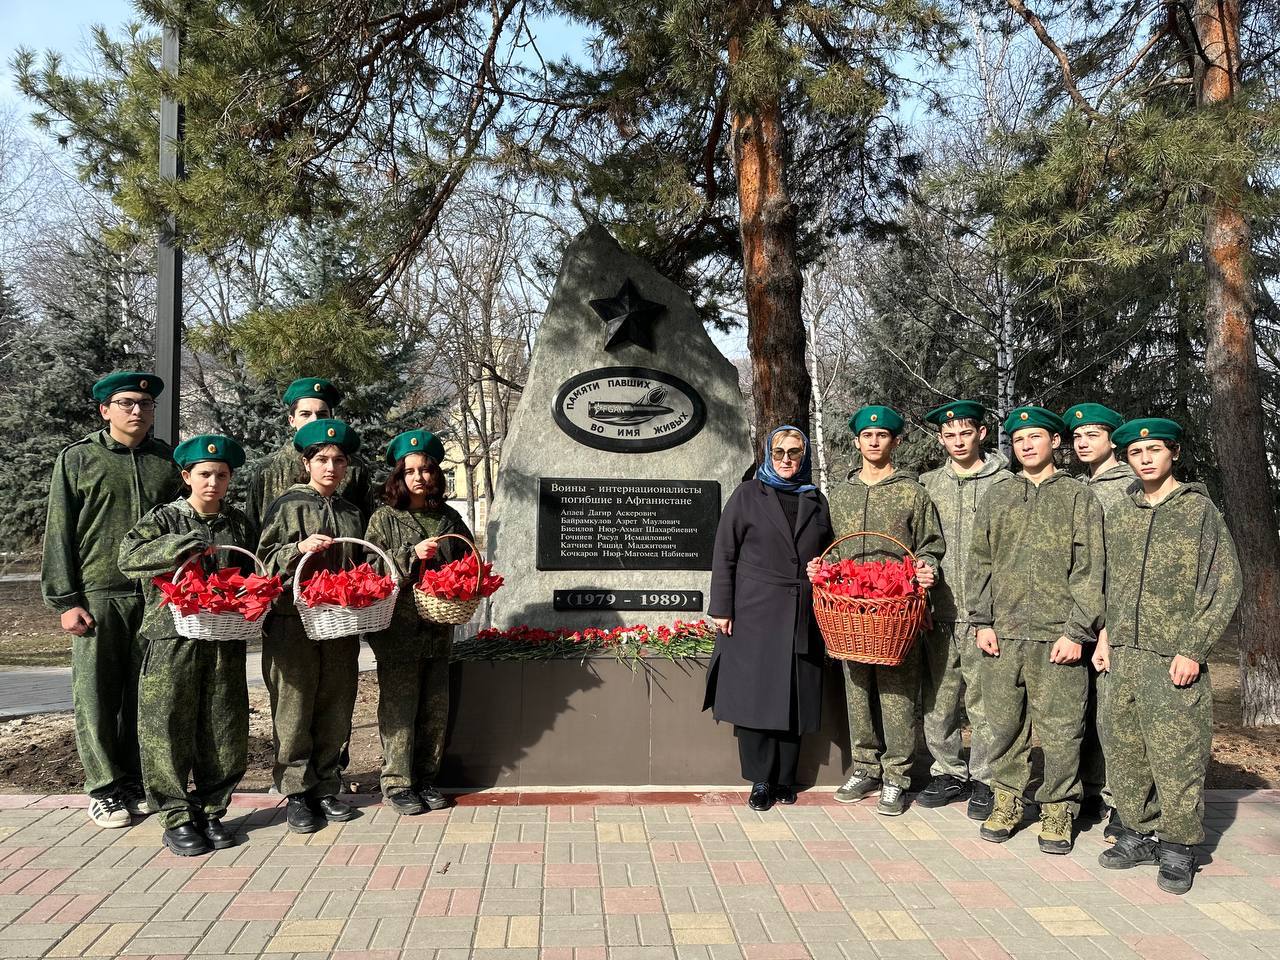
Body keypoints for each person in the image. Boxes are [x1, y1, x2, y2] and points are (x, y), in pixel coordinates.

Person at [1094, 418, 1241, 894]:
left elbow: (1224, 584)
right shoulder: (1121, 512)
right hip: (1123, 654)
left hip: (1172, 656)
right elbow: (1111, 584)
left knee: (1177, 753)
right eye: (1136, 452)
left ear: (1173, 453)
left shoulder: (1197, 511)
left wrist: (1193, 649)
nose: (1145, 458)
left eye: (1154, 450)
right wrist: (1104, 636)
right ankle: (1137, 832)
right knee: (1125, 747)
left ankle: (1179, 845)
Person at [42, 371, 183, 828]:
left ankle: (135, 781)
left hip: (157, 594)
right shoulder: (79, 458)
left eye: (144, 403)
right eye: (125, 403)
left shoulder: (166, 460)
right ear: (105, 410)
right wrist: (66, 601)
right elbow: (59, 531)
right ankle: (103, 788)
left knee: (145, 694)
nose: (137, 410)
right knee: (97, 694)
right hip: (100, 594)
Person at [968, 405, 1104, 854]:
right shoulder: (998, 494)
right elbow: (981, 561)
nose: (1026, 445)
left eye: (1036, 437)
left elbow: (1090, 569)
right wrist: (982, 620)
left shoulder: (1078, 497)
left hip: (1058, 636)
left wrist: (1078, 631)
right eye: (1019, 439)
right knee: (1004, 726)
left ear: (1055, 443)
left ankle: (1058, 809)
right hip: (1003, 634)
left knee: (1063, 731)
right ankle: (1007, 801)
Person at [118, 435, 255, 856]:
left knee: (224, 726)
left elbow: (251, 567)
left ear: (230, 478)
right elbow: (128, 555)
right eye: (204, 474)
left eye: (221, 475)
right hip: (171, 635)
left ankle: (212, 809)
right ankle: (176, 816)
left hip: (222, 637)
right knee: (167, 726)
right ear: (186, 476)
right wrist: (182, 546)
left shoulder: (237, 523)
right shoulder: (165, 519)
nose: (213, 482)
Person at [705, 426, 835, 812]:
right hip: (754, 612)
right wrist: (722, 608)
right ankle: (760, 780)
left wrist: (822, 572)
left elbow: (828, 553)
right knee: (756, 696)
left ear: (805, 456)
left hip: (802, 612)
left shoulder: (816, 499)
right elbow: (724, 553)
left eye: (794, 453)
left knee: (794, 697)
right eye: (779, 452)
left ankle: (785, 778)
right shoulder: (747, 495)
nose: (786, 460)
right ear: (767, 453)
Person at [824, 405, 944, 816]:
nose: (874, 441)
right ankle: (865, 766)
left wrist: (928, 570)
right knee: (857, 692)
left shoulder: (913, 492)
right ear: (856, 441)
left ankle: (897, 775)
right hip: (849, 611)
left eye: (883, 435)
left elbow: (930, 544)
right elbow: (828, 546)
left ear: (894, 441)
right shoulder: (840, 494)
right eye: (867, 436)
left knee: (897, 694)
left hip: (895, 610)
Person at [257, 418, 366, 833]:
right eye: (322, 459)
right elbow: (262, 563)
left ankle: (326, 786)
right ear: (307, 463)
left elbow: (363, 562)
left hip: (340, 621)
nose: (331, 468)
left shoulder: (352, 512)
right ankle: (296, 793)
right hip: (292, 622)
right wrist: (296, 549)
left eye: (339, 461)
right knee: (294, 706)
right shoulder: (286, 506)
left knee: (336, 703)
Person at [364, 429, 472, 815]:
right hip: (399, 628)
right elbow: (371, 565)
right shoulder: (386, 518)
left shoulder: (449, 517)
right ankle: (397, 783)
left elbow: (468, 560)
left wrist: (465, 578)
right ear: (399, 477)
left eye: (426, 470)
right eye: (410, 471)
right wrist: (411, 553)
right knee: (400, 706)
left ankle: (426, 777)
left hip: (438, 626)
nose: (419, 478)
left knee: (434, 705)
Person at [917, 401, 1012, 821]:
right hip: (938, 608)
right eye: (950, 434)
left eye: (965, 433)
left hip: (986, 612)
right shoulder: (927, 484)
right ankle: (947, 770)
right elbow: (920, 540)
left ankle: (986, 778)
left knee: (984, 698)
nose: (958, 441)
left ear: (981, 434)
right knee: (940, 695)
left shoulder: (1005, 482)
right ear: (940, 439)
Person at [1064, 401, 1134, 839]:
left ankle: (1122, 801)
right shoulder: (1073, 486)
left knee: (1116, 717)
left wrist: (1108, 627)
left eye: (1093, 434)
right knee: (1082, 711)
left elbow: (1124, 565)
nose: (1083, 442)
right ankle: (1090, 789)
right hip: (1077, 616)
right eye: (1077, 436)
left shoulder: (1129, 486)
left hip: (1115, 620)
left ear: (1113, 439)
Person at [244, 377, 373, 530]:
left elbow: (367, 527)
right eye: (305, 414)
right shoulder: (267, 471)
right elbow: (253, 531)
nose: (314, 420)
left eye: (322, 414)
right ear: (292, 420)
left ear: (331, 418)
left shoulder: (353, 468)